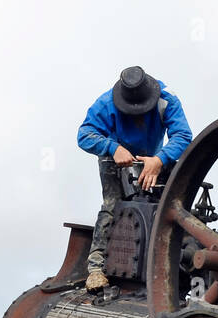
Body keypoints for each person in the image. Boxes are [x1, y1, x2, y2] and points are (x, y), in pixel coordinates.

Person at [77, 66, 193, 291]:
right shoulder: (106, 103)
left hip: (154, 159)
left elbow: (183, 135)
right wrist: (112, 147)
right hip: (114, 158)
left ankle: (171, 263)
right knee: (112, 206)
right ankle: (96, 268)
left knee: (167, 208)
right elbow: (84, 135)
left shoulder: (166, 100)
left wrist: (159, 160)